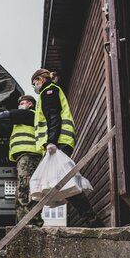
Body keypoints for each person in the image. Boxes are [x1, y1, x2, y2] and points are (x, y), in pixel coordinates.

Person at [31, 68, 104, 227]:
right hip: (59, 141)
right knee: (62, 181)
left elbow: (53, 116)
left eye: (35, 83)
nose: (34, 87)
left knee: (64, 181)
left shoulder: (48, 91)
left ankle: (92, 219)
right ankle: (91, 218)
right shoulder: (51, 91)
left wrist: (51, 142)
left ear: (41, 80)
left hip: (58, 142)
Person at [0, 95, 44, 227]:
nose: (20, 104)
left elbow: (10, 114)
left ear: (30, 104)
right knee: (23, 190)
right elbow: (4, 124)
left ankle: (30, 222)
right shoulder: (20, 122)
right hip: (24, 157)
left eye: (22, 102)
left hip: (29, 155)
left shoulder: (29, 114)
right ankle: (27, 222)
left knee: (26, 189)